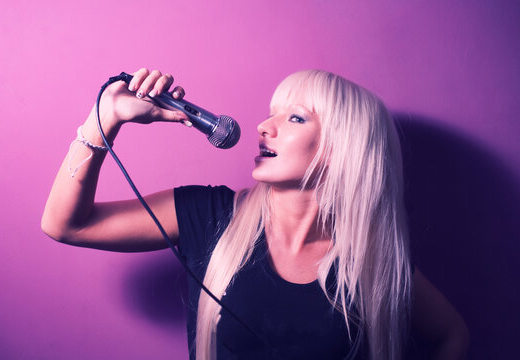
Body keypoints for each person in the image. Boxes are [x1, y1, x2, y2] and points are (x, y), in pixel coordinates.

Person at [41, 68, 469, 359]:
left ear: (344, 150)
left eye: (295, 118)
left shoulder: (374, 263)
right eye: (272, 113)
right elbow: (66, 224)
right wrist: (106, 119)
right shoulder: (205, 214)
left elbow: (452, 335)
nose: (265, 126)